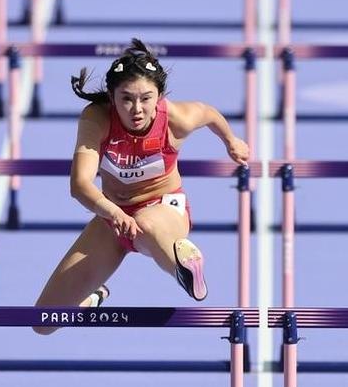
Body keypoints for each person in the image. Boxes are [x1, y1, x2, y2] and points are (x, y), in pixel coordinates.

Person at [33, 38, 249, 335]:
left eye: (146, 99)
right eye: (126, 99)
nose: (137, 109)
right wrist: (113, 213)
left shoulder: (175, 120)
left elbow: (208, 113)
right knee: (44, 322)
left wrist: (231, 141)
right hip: (112, 216)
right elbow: (80, 184)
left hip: (163, 208)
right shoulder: (97, 119)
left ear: (159, 96)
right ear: (112, 97)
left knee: (146, 223)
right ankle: (93, 297)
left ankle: (184, 267)